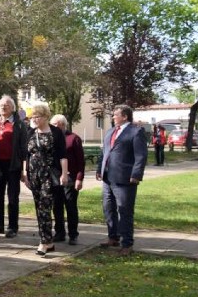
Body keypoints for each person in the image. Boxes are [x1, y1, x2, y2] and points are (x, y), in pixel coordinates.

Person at [96, 104, 148, 256]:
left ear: (124, 116)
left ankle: (127, 243)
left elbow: (141, 155)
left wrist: (136, 174)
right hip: (107, 178)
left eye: (115, 115)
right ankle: (113, 237)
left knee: (124, 211)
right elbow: (104, 151)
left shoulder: (136, 131)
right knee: (108, 208)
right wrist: (100, 169)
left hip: (125, 179)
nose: (113, 117)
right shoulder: (111, 131)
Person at [23, 103, 68, 256]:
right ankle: (48, 241)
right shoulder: (30, 132)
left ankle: (44, 241)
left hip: (49, 174)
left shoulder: (56, 133)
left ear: (45, 117)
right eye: (33, 116)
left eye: (38, 116)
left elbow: (62, 155)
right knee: (39, 207)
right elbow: (26, 155)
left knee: (45, 207)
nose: (35, 119)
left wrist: (64, 174)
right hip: (34, 174)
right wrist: (25, 173)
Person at [0, 95, 28, 238]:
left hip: (13, 165)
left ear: (12, 108)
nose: (4, 107)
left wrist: (24, 169)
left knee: (13, 197)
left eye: (7, 105)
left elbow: (24, 147)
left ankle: (13, 227)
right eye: (1, 105)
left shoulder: (19, 124)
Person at [50, 114, 85, 245]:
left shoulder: (73, 139)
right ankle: (59, 233)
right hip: (55, 177)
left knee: (70, 205)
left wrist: (79, 178)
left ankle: (73, 234)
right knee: (57, 206)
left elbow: (81, 161)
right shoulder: (51, 138)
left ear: (62, 124)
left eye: (54, 124)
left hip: (70, 177)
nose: (52, 127)